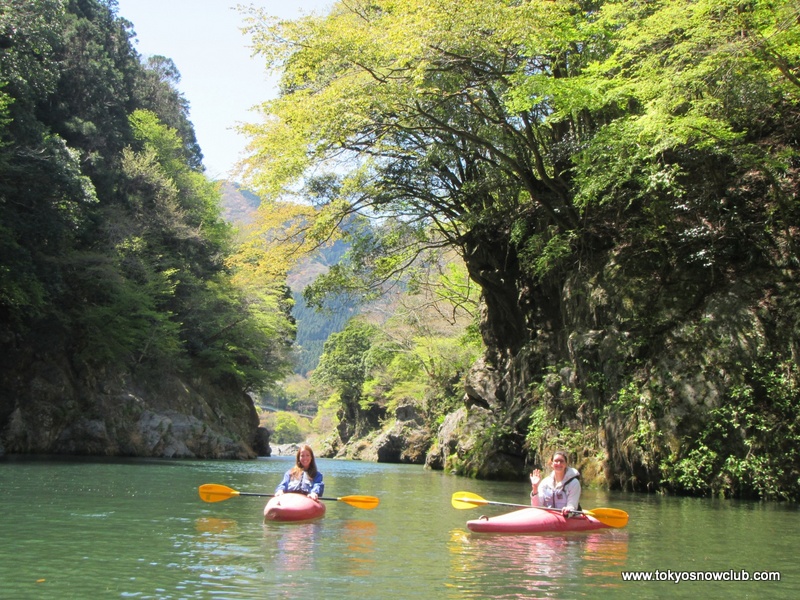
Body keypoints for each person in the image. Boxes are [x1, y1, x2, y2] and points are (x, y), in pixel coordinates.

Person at [529, 450, 581, 516]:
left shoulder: (574, 483)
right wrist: (535, 487)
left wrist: (568, 509)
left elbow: (572, 505)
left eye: (561, 461)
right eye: (556, 461)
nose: (559, 463)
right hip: (550, 517)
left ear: (566, 464)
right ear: (552, 464)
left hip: (568, 517)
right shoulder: (545, 483)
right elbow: (536, 506)